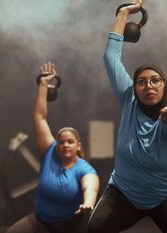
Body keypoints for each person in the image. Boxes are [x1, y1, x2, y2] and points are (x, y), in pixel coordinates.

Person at [87, 1, 167, 232]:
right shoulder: (129, 100)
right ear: (134, 87)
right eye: (141, 81)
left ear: (164, 86)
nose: (149, 86)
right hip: (125, 192)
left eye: (155, 80)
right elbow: (111, 58)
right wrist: (124, 14)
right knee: (95, 228)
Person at [6, 62, 100, 233]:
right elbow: (40, 117)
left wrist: (88, 202)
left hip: (70, 226)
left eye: (70, 142)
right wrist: (43, 85)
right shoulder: (50, 152)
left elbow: (91, 186)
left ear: (78, 146)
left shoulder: (84, 169)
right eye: (61, 142)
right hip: (40, 222)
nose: (65, 145)